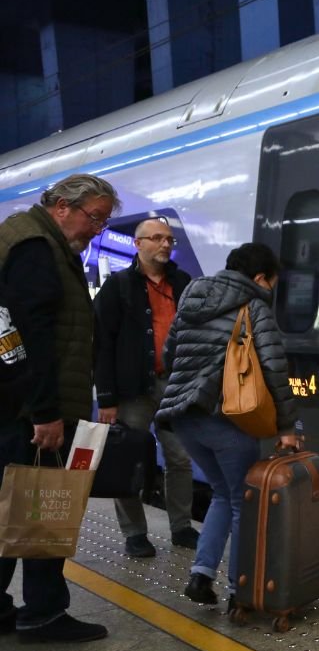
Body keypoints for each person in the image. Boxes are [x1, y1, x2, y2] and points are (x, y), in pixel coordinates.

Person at [0, 173, 120, 642]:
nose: (98, 229)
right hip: (31, 410)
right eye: (96, 217)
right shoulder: (36, 247)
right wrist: (45, 412)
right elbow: (35, 334)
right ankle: (45, 612)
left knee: (14, 507)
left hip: (14, 403)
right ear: (62, 207)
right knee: (43, 508)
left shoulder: (26, 237)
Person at [155, 242, 300, 607]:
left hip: (184, 418)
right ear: (259, 278)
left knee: (223, 494)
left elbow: (168, 356)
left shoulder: (191, 295)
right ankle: (240, 590)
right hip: (227, 419)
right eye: (271, 282)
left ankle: (201, 576)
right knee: (243, 503)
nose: (271, 290)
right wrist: (286, 426)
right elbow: (274, 369)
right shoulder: (253, 307)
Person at [93, 217, 197, 556]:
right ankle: (135, 533)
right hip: (132, 390)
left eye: (169, 239)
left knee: (179, 458)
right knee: (127, 459)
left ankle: (181, 527)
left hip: (174, 384)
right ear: (138, 244)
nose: (166, 244)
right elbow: (102, 343)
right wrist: (106, 397)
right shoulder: (119, 286)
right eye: (157, 238)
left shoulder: (183, 282)